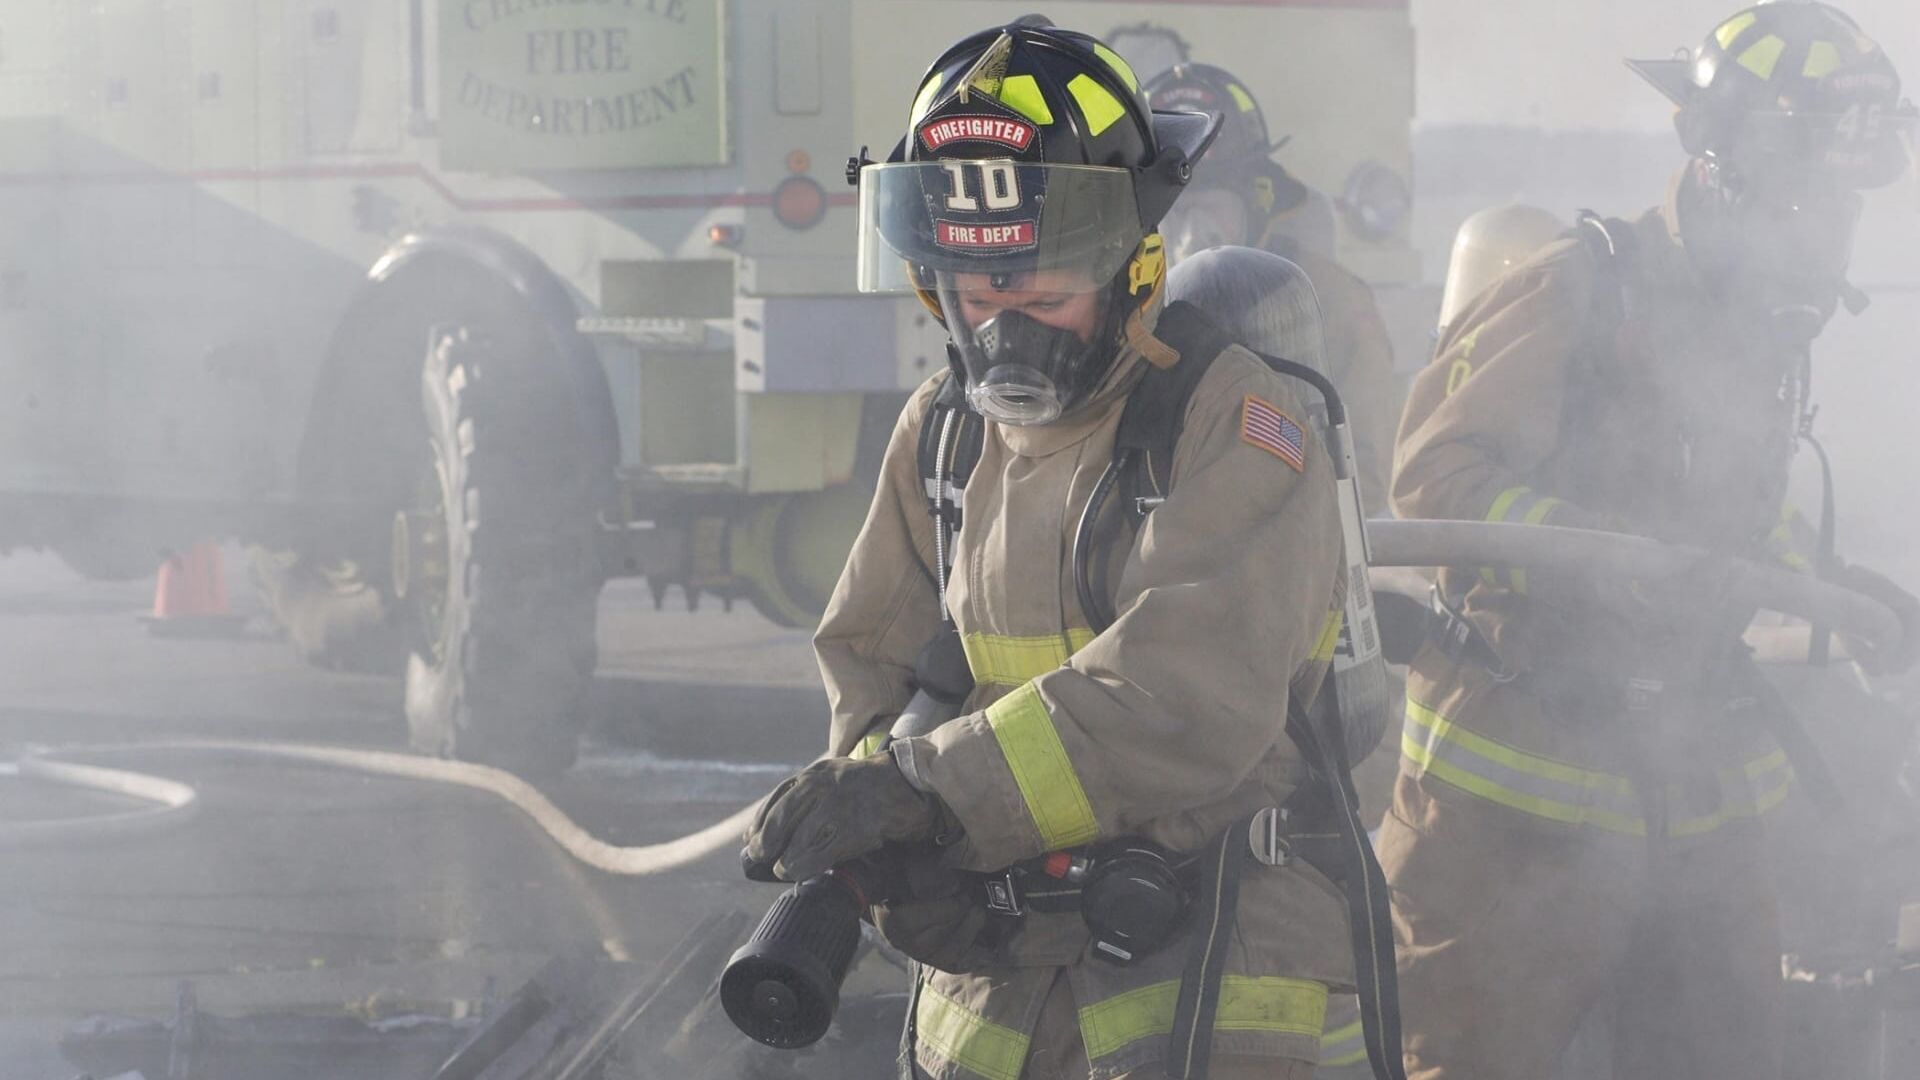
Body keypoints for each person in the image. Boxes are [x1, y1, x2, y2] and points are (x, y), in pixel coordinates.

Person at [744, 18, 1364, 1080]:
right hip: (988, 994)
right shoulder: (940, 432)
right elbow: (869, 668)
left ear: (1134, 269)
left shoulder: (1233, 421)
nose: (1007, 333)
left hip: (1203, 976)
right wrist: (877, 829)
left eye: (1043, 297)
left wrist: (932, 796)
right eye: (982, 297)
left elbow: (1188, 693)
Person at [1379, 4, 1920, 1078]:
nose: (1826, 232)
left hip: (1696, 796)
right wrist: (1598, 552)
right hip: (1509, 806)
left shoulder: (1754, 323)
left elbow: (1730, 520)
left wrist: (1836, 589)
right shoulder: (1580, 288)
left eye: (1844, 204)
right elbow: (1433, 478)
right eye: (1809, 199)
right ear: (1724, 170)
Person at [1143, 62, 1398, 512]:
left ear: (1257, 198)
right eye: (1178, 208)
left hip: (1297, 534)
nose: (1192, 231)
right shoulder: (1123, 299)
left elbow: (1368, 477)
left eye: (1212, 205)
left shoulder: (1333, 301)